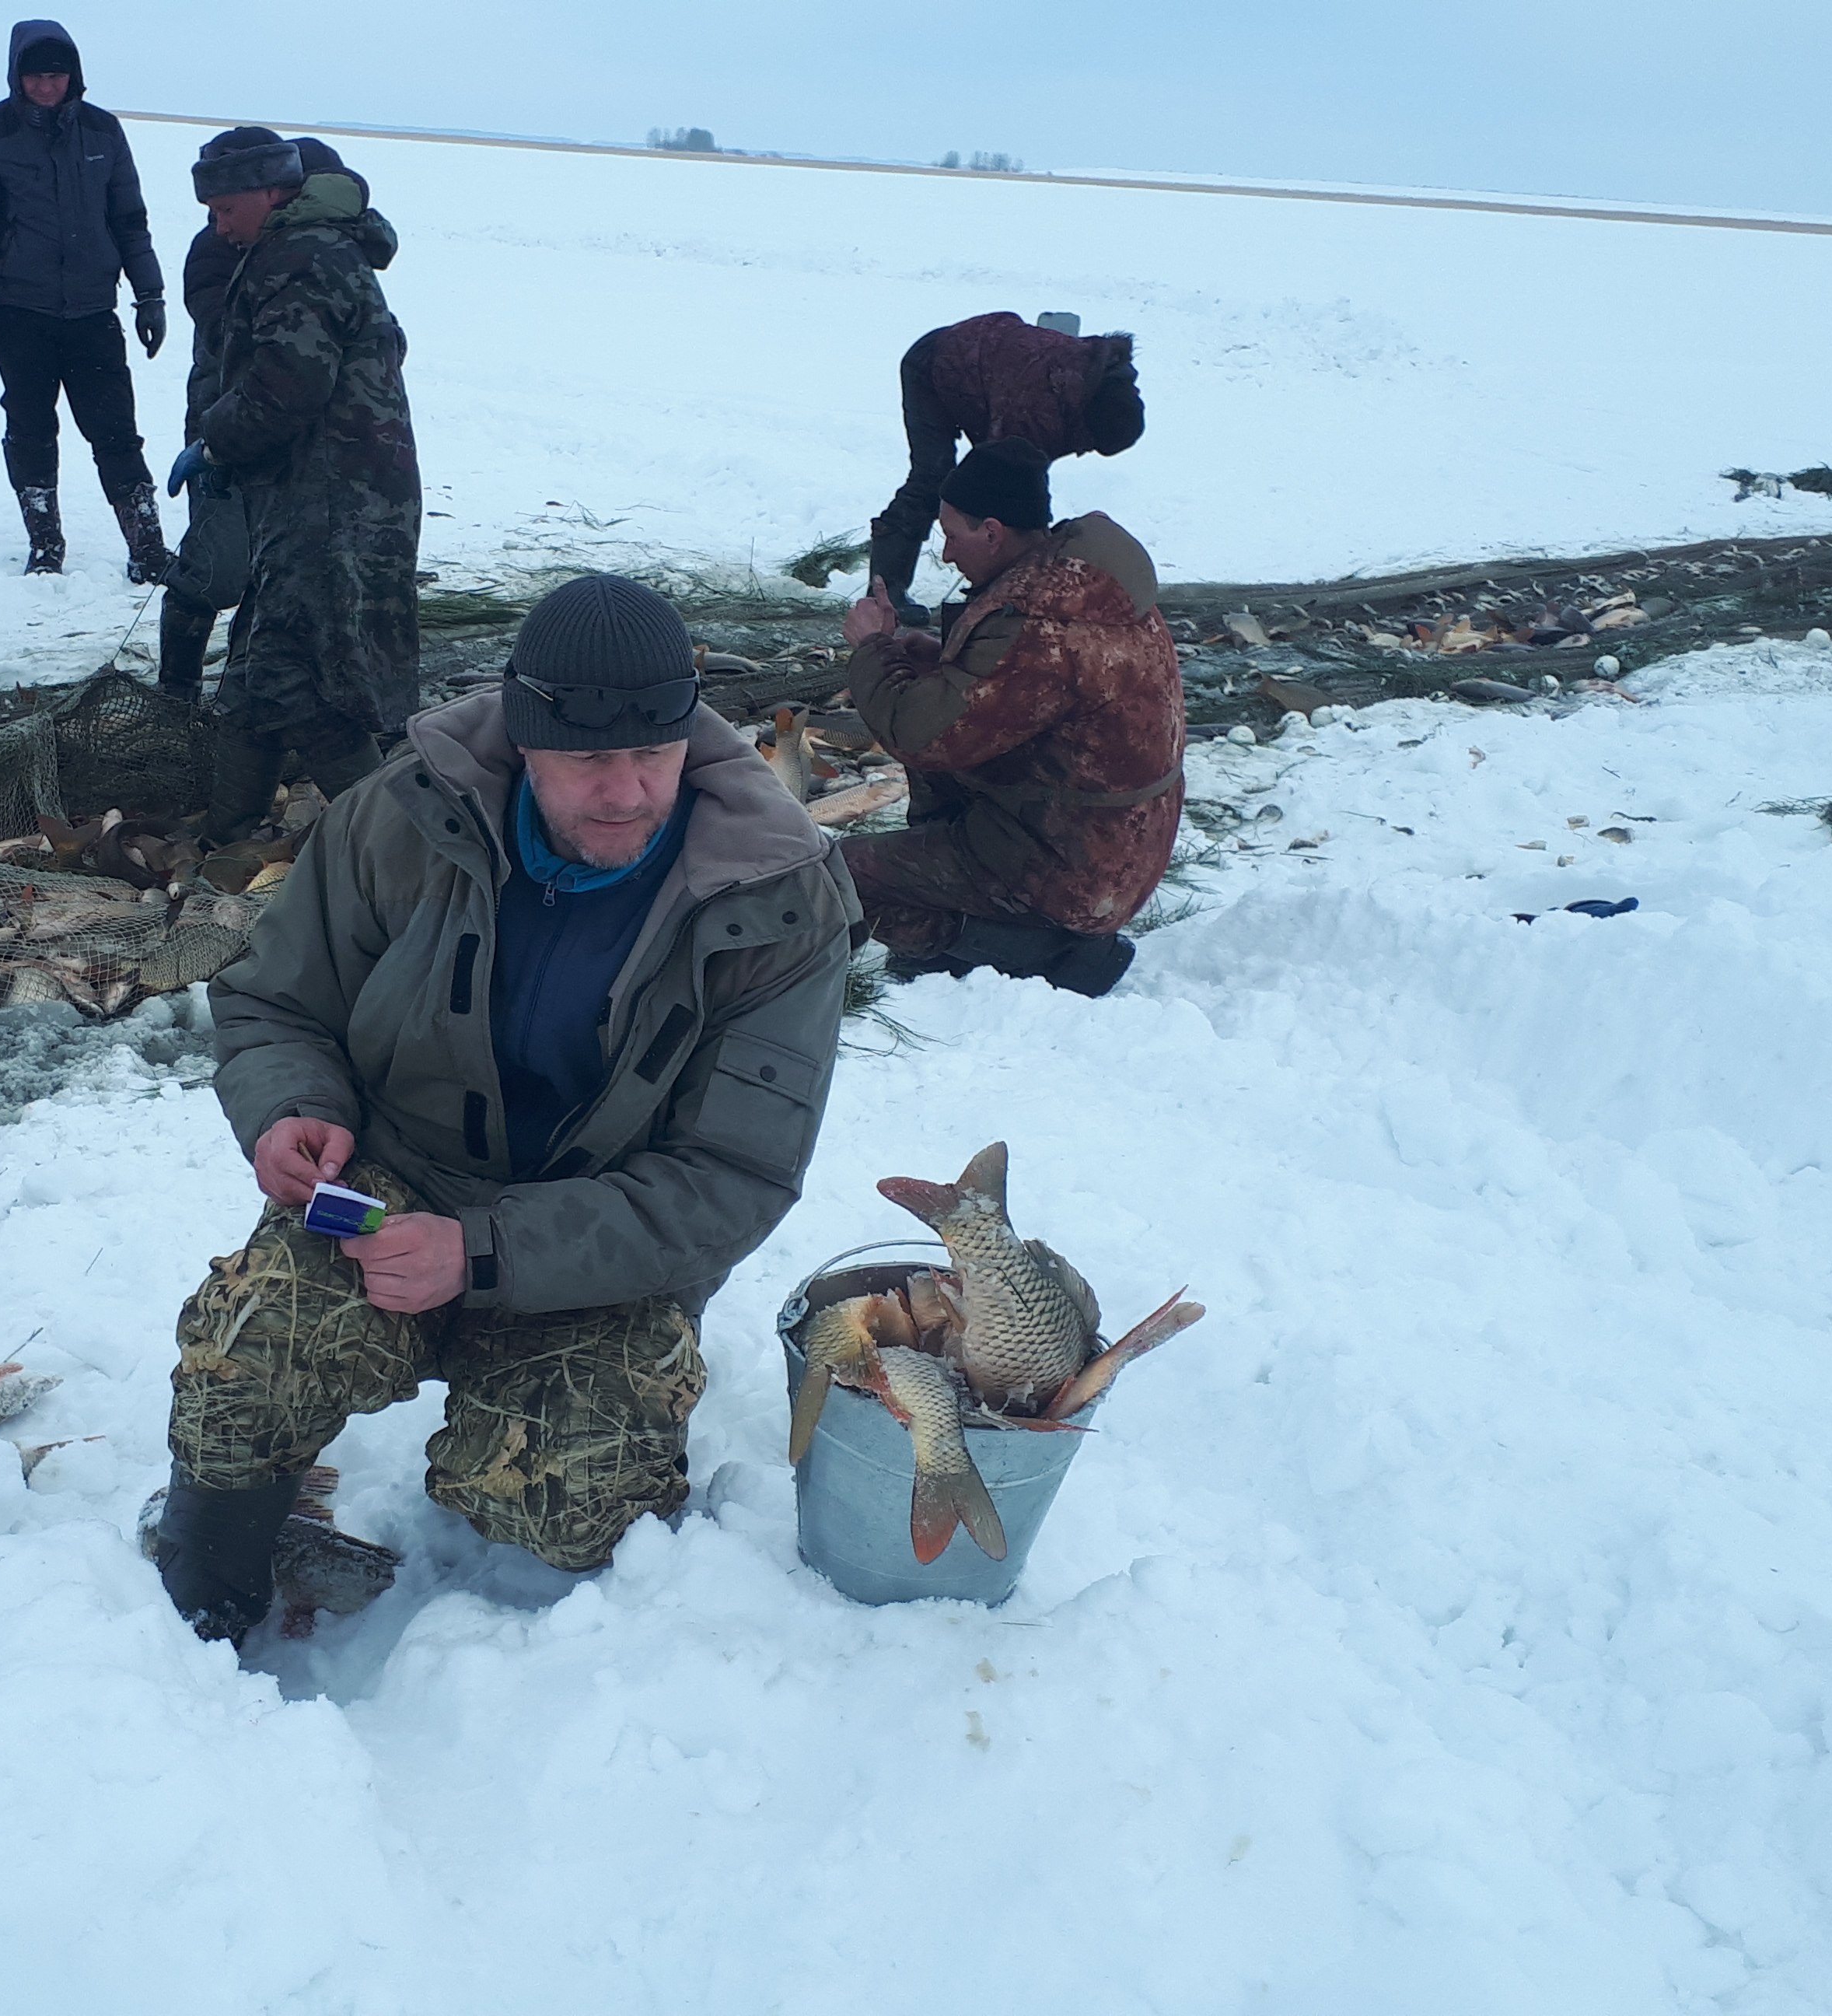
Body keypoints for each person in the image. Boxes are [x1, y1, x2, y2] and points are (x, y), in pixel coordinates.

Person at [152, 575, 859, 1640]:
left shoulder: (780, 899)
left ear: (693, 737)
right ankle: (200, 1606)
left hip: (602, 1246)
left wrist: (481, 1253)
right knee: (245, 1349)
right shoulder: (400, 819)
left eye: (650, 757)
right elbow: (271, 999)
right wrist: (288, 1106)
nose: (623, 793)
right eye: (585, 762)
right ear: (525, 742)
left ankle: (495, 1632)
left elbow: (734, 1178)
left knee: (574, 1488)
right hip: (390, 1200)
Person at [838, 440, 1182, 996]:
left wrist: (872, 650)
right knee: (930, 698)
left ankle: (1046, 956)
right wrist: (931, 657)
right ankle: (986, 918)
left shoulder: (1037, 623)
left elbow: (915, 734)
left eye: (951, 536)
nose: (947, 555)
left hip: (1076, 871)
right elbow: (1010, 693)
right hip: (1109, 842)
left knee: (836, 876)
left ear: (993, 532)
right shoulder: (1080, 583)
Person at [174, 128, 421, 842]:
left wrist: (214, 440)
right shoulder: (295, 248)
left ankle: (398, 846)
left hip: (337, 502)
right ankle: (224, 837)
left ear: (268, 192)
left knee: (296, 677)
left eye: (224, 210)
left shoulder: (301, 255)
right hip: (315, 492)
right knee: (253, 674)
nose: (217, 226)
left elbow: (288, 387)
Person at [152, 133, 379, 706]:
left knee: (276, 578)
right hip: (226, 425)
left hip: (300, 445)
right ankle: (174, 698)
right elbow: (234, 340)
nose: (224, 223)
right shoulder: (221, 248)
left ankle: (240, 702)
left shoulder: (316, 252)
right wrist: (218, 441)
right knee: (216, 566)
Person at [0, 19, 171, 579]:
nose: (46, 86)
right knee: (29, 429)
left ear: (74, 75)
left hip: (94, 311)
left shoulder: (104, 132)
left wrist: (150, 295)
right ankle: (45, 546)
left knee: (116, 432)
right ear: (17, 76)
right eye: (35, 75)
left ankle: (147, 551)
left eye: (57, 74)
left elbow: (130, 221)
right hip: (20, 313)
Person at [867, 310, 1142, 607]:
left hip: (987, 374)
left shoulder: (1093, 381)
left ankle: (1008, 588)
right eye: (1090, 444)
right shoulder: (1037, 406)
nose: (1083, 450)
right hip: (934, 365)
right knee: (933, 480)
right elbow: (999, 482)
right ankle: (885, 593)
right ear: (1089, 422)